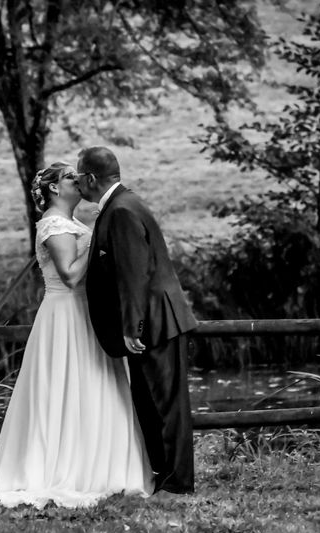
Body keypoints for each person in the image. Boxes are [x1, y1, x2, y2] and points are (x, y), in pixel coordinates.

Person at [0, 161, 153, 509]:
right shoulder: (54, 225)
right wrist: (100, 244)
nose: (80, 182)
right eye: (72, 178)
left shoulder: (73, 223)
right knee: (65, 386)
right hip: (64, 315)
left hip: (83, 314)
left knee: (94, 385)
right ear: (56, 189)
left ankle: (103, 465)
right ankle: (60, 467)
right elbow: (71, 276)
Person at [76, 146, 198, 494]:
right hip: (153, 320)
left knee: (166, 406)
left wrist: (133, 327)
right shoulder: (122, 204)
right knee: (149, 403)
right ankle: (163, 477)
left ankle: (177, 485)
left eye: (79, 175)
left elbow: (134, 274)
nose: (78, 182)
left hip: (154, 322)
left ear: (90, 178)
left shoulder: (121, 211)